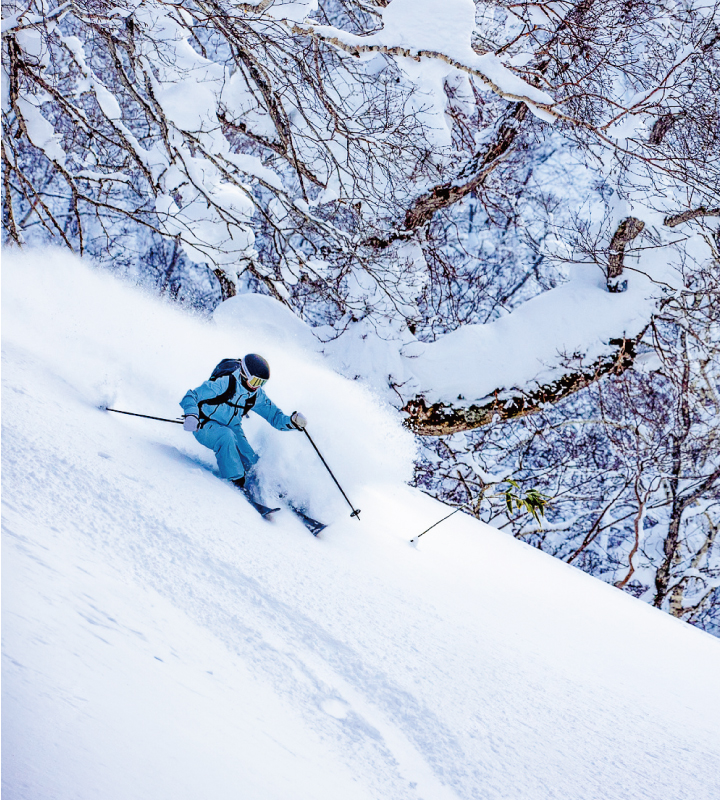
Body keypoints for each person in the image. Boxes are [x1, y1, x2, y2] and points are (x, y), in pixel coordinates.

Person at [180, 354, 306, 489]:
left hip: (232, 427)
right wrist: (192, 415)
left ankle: (266, 488)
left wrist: (292, 422)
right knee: (225, 437)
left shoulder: (256, 395)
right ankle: (235, 481)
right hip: (204, 423)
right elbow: (191, 396)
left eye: (262, 383)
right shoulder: (224, 383)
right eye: (255, 382)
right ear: (244, 374)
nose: (257, 387)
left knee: (252, 463)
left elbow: (274, 416)